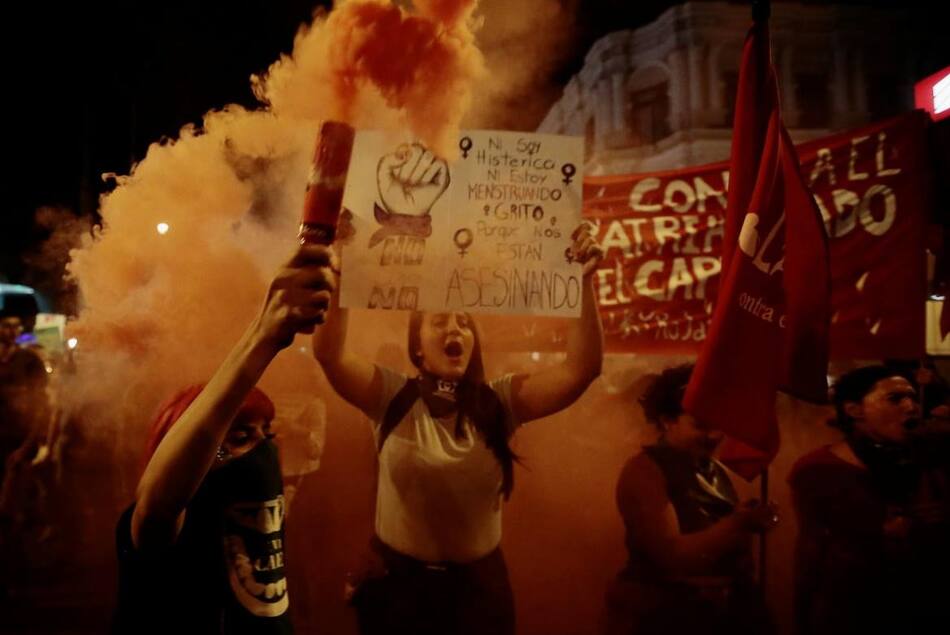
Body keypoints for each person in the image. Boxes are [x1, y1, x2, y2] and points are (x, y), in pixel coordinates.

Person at [312, 224, 604, 635]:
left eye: (465, 323)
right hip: (399, 590)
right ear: (417, 347)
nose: (455, 329)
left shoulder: (499, 402)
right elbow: (329, 355)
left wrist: (584, 279)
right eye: (440, 322)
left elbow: (581, 371)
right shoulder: (392, 396)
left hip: (477, 594)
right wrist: (341, 273)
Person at [113, 243, 336, 634]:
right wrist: (263, 336)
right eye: (240, 436)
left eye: (266, 434)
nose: (262, 450)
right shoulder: (162, 530)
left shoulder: (267, 537)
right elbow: (158, 504)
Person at [604, 364, 777, 635]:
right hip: (666, 617)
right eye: (701, 425)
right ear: (667, 420)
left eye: (721, 423)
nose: (715, 435)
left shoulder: (714, 469)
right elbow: (672, 556)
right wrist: (738, 523)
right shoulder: (645, 470)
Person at [789, 365, 950, 635]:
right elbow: (811, 547)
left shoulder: (931, 459)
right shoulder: (819, 469)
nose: (910, 406)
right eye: (895, 399)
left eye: (912, 397)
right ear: (855, 410)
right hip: (852, 611)